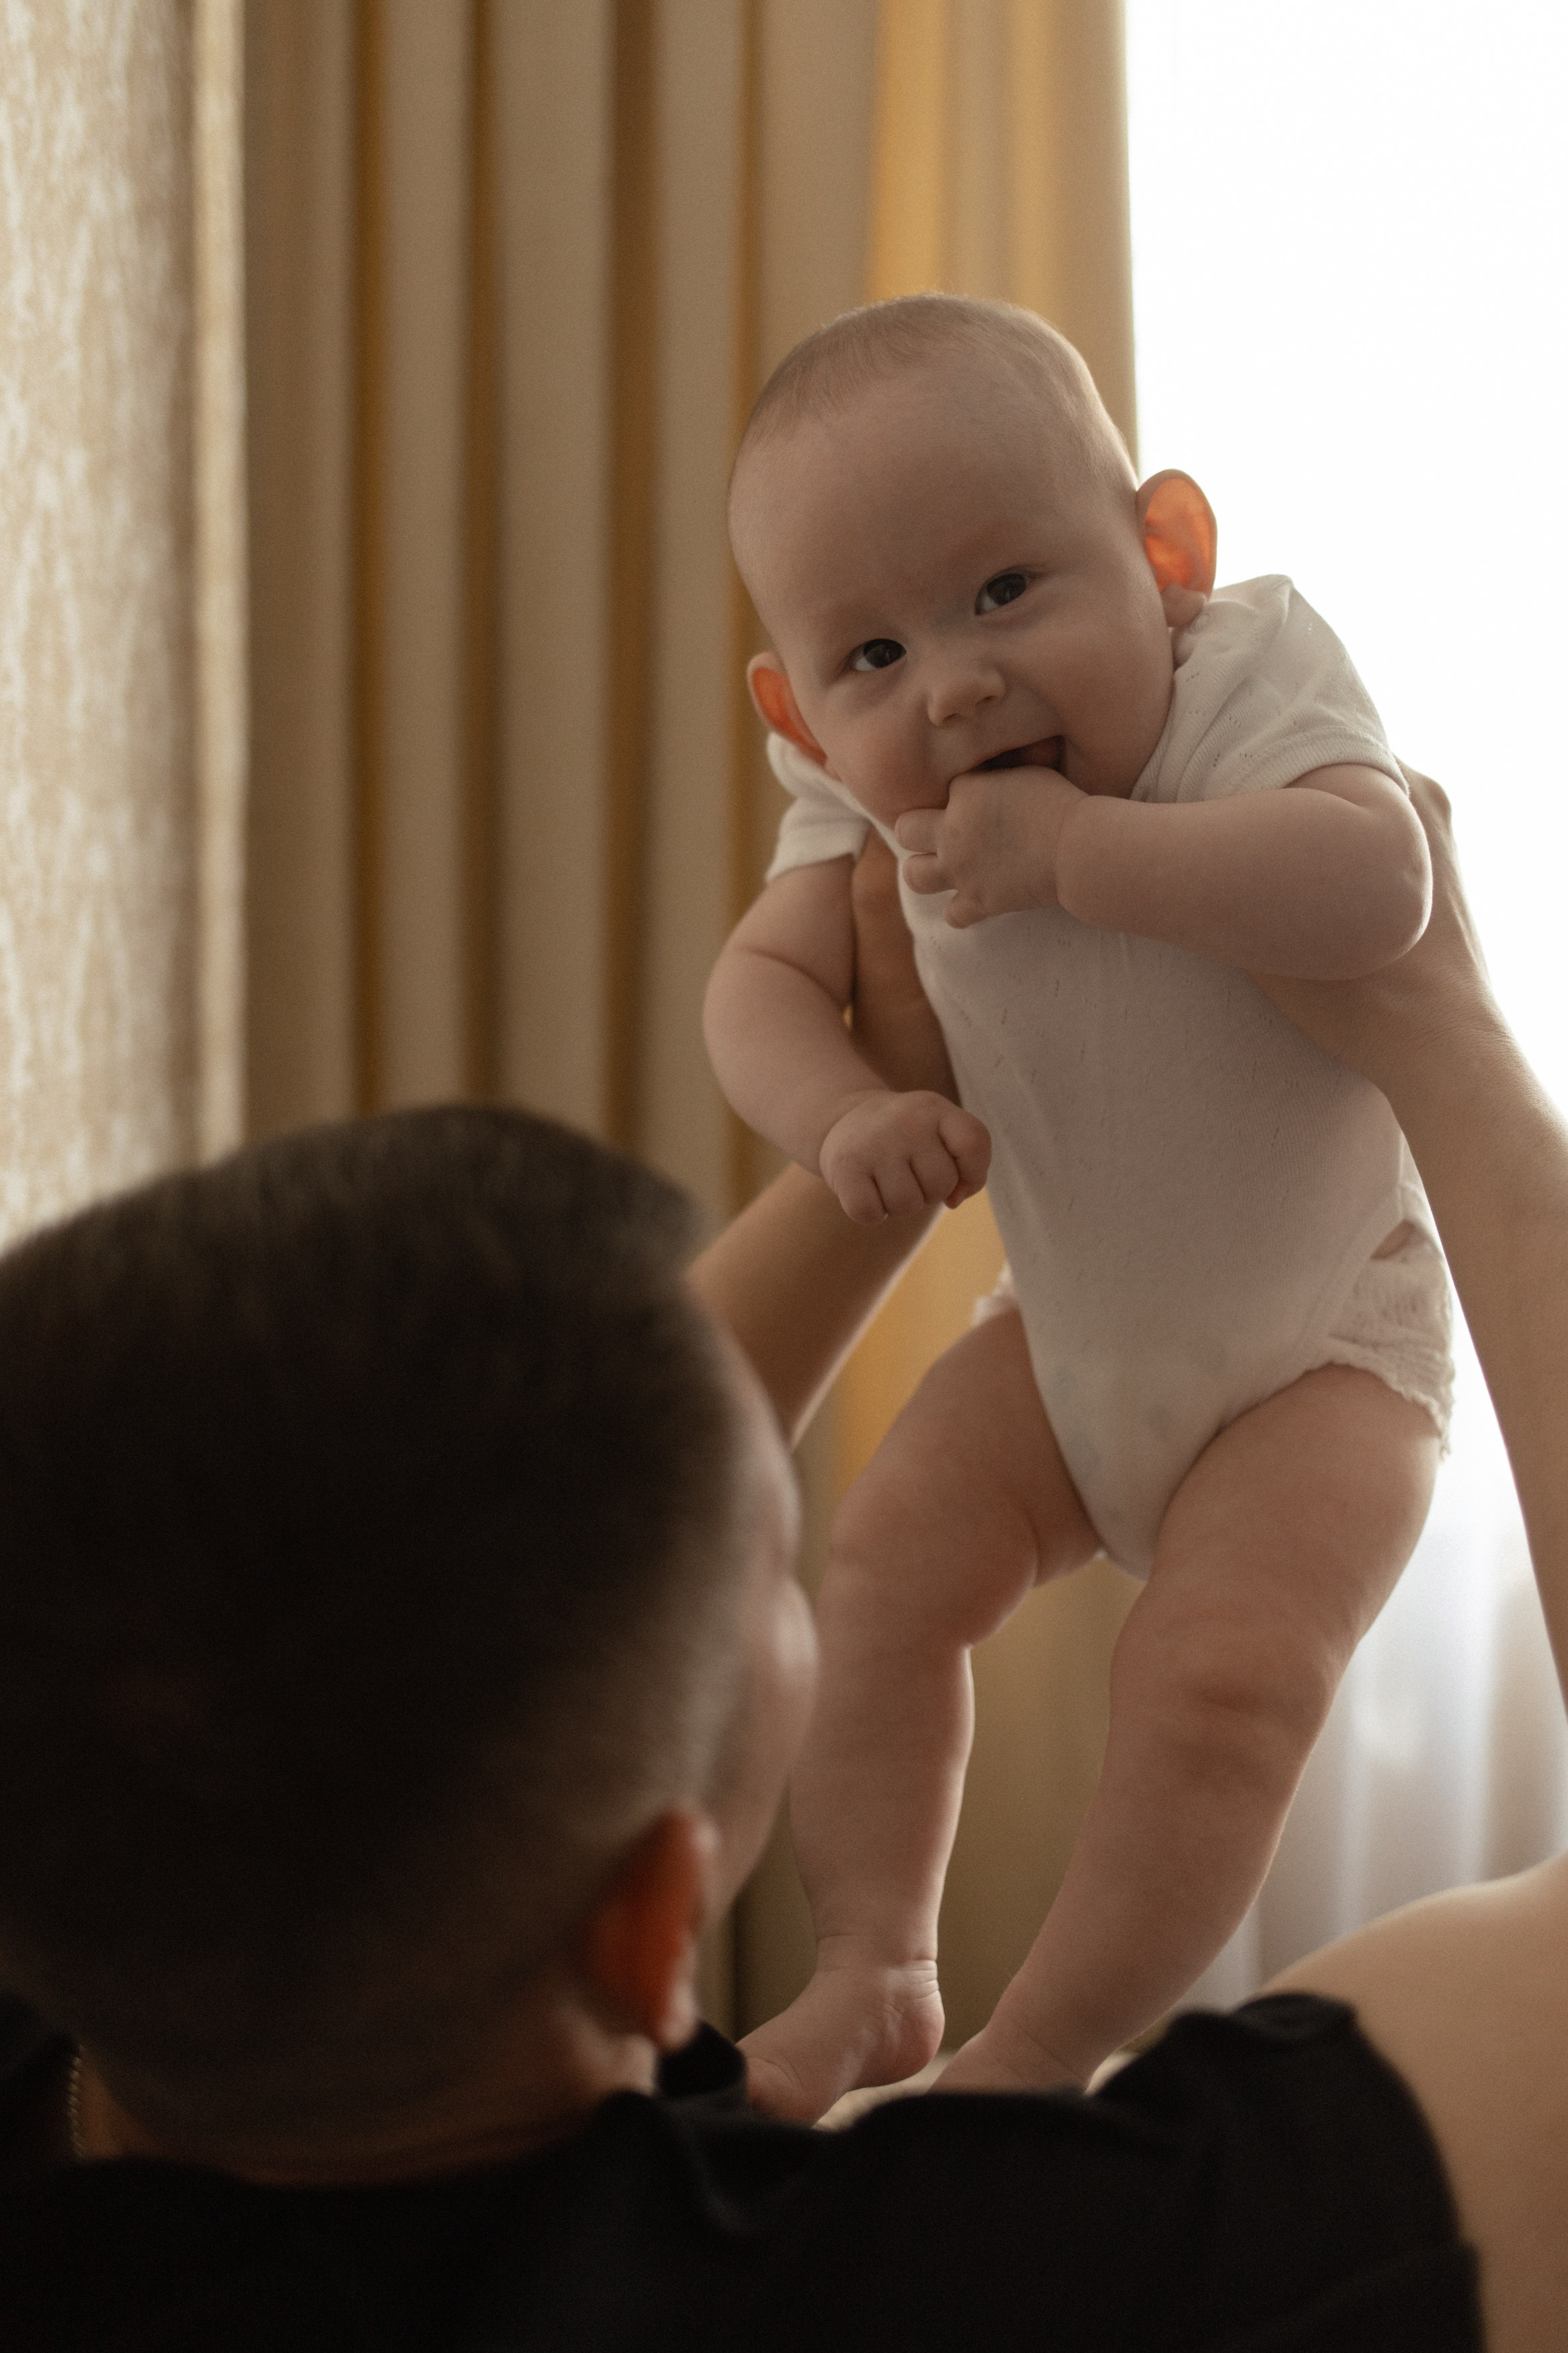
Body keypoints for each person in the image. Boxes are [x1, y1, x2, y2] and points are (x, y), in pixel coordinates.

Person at [0, 785, 1559, 2351]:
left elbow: (547, 1497)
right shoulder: (1003, 2276)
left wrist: (892, 1128)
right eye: (771, 1577)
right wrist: (1453, 1052)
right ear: (650, 1930)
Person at [705, 290, 1454, 2116]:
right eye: (872, 653)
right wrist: (845, 1111)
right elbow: (758, 987)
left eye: (1003, 590)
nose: (952, 683)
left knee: (1219, 1681)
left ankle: (1040, 2051)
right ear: (797, 710)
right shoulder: (863, 793)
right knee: (878, 1576)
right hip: (1065, 1328)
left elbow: (1384, 885)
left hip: (1330, 1343)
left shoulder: (1240, 676)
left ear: (1164, 554)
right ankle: (875, 1970)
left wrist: (1084, 854)